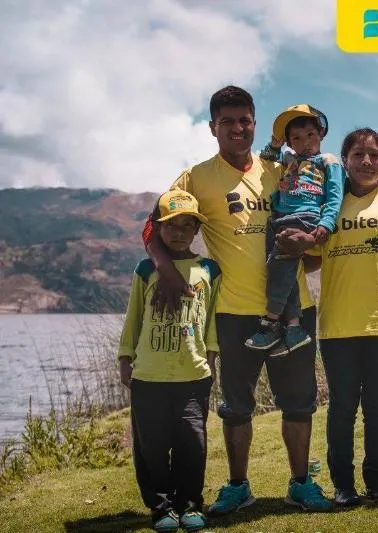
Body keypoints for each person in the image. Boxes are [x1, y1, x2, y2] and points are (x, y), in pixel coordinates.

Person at [142, 86, 332, 514]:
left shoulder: (282, 168)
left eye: (244, 120)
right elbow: (153, 226)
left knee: (299, 403)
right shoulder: (195, 178)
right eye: (226, 121)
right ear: (213, 127)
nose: (237, 128)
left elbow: (316, 229)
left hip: (294, 311)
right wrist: (166, 271)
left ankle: (301, 484)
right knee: (236, 407)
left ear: (255, 123)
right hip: (233, 312)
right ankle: (237, 486)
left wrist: (309, 247)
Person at [302, 128, 378, 506]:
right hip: (338, 323)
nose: (367, 161)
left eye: (375, 155)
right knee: (342, 408)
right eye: (358, 154)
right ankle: (342, 485)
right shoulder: (329, 202)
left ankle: (377, 483)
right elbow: (311, 260)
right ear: (345, 160)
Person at [119, 190, 219, 532]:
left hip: (193, 375)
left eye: (187, 225)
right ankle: (161, 507)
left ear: (197, 230)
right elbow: (133, 317)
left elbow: (212, 321)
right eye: (171, 225)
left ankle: (190, 504)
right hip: (149, 377)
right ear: (158, 229)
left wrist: (211, 357)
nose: (179, 232)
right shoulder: (146, 269)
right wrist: (125, 358)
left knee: (193, 442)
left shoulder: (208, 270)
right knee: (152, 446)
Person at [245, 104, 344, 356]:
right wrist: (276, 143)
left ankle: (270, 322)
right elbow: (267, 155)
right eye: (297, 138)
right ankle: (293, 328)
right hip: (279, 219)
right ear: (289, 142)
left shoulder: (328, 161)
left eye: (310, 135)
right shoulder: (289, 160)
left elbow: (335, 196)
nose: (305, 142)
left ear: (321, 134)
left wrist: (325, 224)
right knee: (280, 270)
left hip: (305, 218)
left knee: (279, 268)